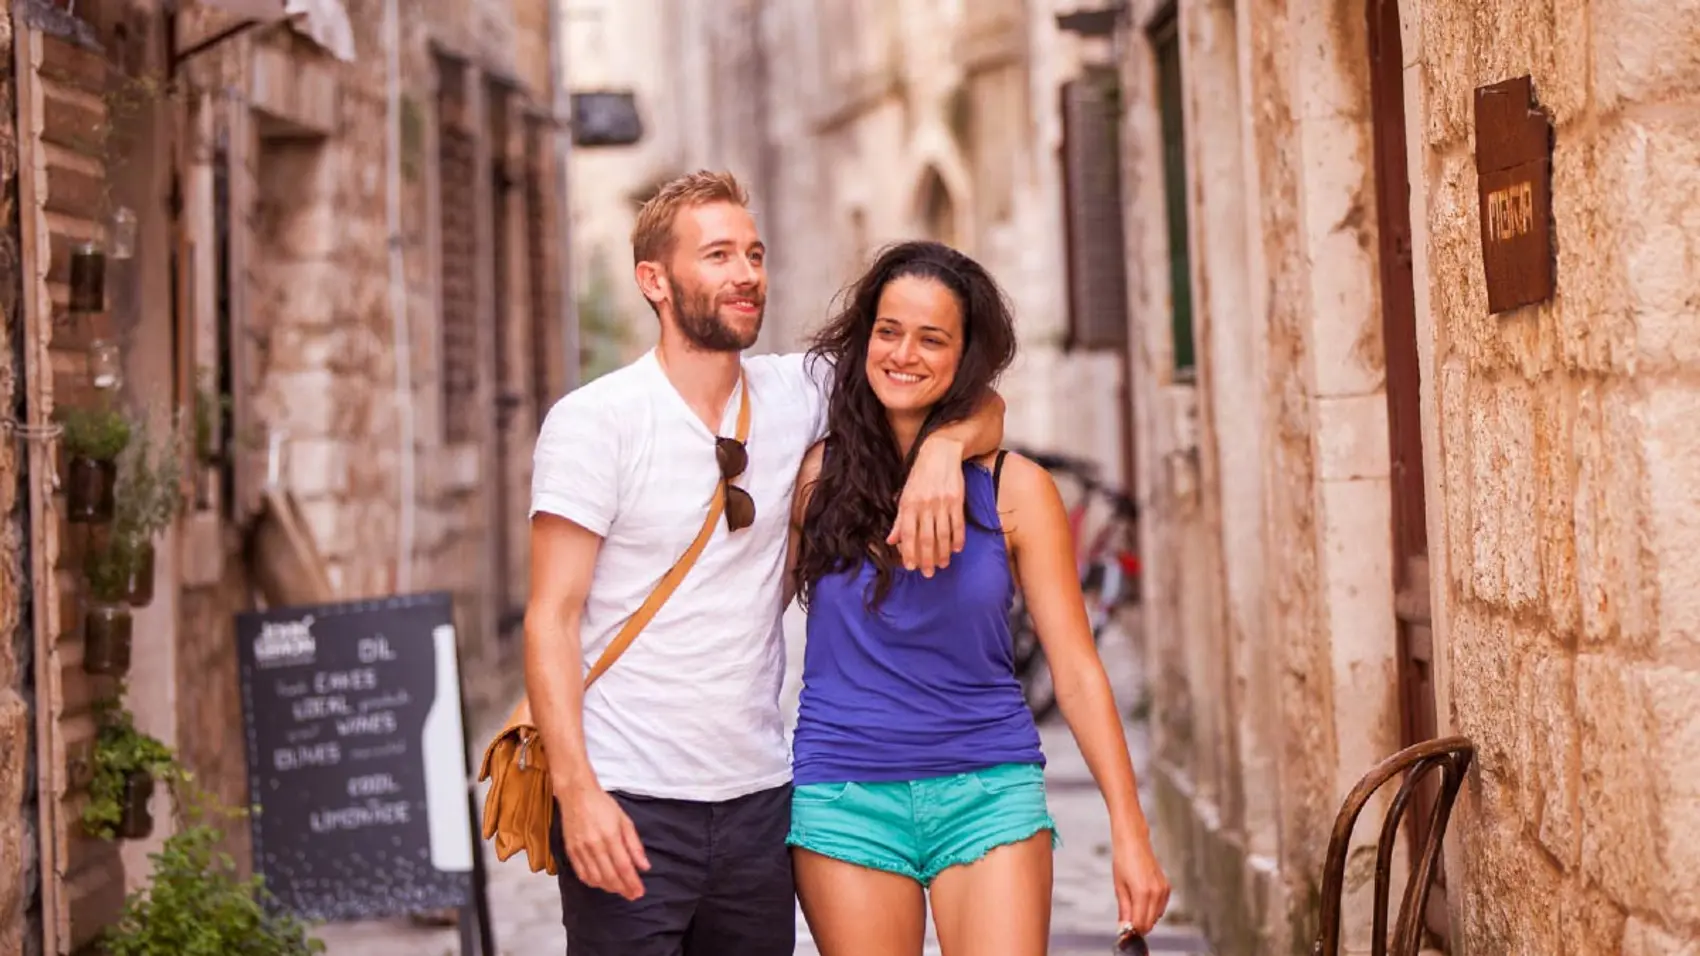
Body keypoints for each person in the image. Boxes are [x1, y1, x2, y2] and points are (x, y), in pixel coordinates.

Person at [522, 171, 1006, 956]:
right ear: (655, 280)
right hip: (628, 798)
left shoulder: (799, 391)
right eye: (717, 255)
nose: (746, 274)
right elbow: (551, 616)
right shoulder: (594, 423)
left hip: (756, 804)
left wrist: (948, 449)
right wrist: (578, 795)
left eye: (754, 253)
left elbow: (956, 390)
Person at [785, 240, 1170, 956]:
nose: (904, 354)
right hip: (844, 795)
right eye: (889, 331)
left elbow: (1079, 672)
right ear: (865, 336)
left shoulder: (1018, 489)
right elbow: (737, 620)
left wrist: (1130, 830)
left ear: (964, 359)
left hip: (989, 792)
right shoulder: (814, 479)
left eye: (933, 338)